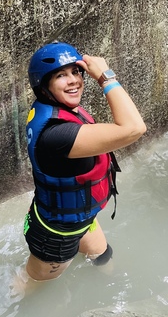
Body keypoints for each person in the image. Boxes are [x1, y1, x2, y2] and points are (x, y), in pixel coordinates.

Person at [23, 42, 147, 281]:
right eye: (61, 75)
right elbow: (134, 128)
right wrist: (105, 77)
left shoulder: (57, 109)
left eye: (75, 72)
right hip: (55, 235)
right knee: (34, 286)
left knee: (103, 257)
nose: (73, 80)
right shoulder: (56, 135)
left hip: (79, 219)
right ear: (44, 86)